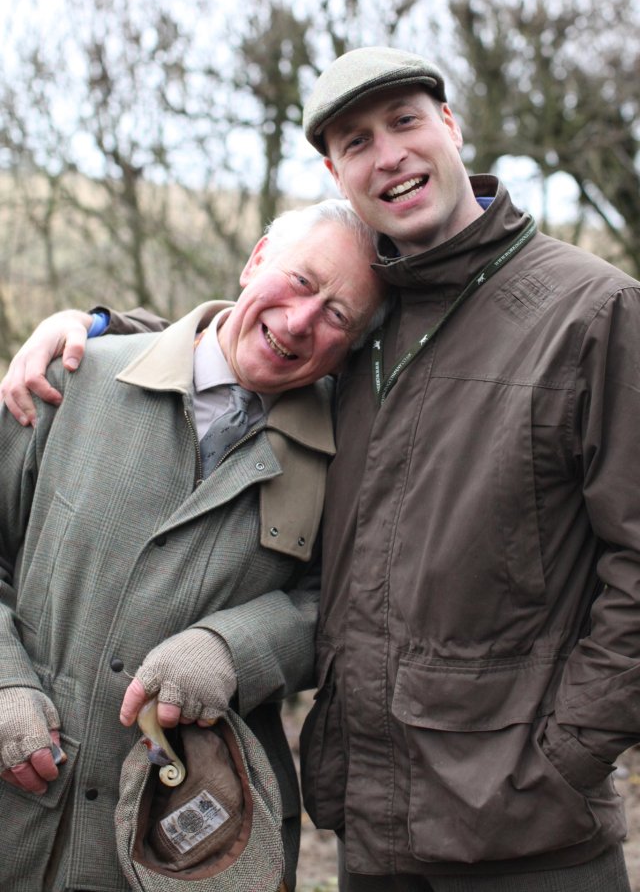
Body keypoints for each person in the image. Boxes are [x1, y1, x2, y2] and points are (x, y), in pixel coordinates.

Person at [3, 47, 640, 892]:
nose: (390, 153)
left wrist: (566, 753)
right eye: (356, 140)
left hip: (519, 827)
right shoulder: (86, 384)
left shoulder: (585, 314)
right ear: (326, 181)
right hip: (363, 829)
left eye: (407, 121)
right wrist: (87, 325)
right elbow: (226, 353)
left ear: (452, 126)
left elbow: (338, 592)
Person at [0, 197, 386, 892]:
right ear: (255, 260)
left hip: (193, 836)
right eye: (301, 281)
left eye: (338, 315)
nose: (300, 321)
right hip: (19, 804)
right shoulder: (73, 378)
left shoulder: (348, 455)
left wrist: (235, 646)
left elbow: (348, 605)